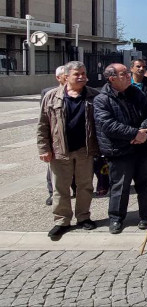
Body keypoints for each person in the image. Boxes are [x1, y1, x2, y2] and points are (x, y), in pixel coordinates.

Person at [37, 61, 100, 240]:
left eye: (83, 73)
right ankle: (62, 221)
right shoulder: (51, 96)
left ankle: (83, 217)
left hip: (85, 150)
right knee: (60, 187)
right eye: (77, 74)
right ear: (66, 77)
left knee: (85, 186)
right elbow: (43, 124)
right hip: (59, 150)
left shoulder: (94, 96)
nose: (81, 77)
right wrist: (44, 148)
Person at [94, 63, 147, 234]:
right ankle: (116, 218)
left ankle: (146, 215)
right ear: (112, 78)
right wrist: (134, 134)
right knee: (120, 186)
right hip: (119, 150)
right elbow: (108, 125)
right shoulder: (101, 99)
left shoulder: (137, 93)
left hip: (142, 148)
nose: (129, 75)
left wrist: (143, 132)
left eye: (127, 72)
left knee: (145, 184)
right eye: (124, 74)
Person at [42, 65, 67, 206]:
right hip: (56, 139)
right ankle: (52, 193)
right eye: (65, 74)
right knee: (53, 170)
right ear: (59, 77)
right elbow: (44, 119)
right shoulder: (48, 93)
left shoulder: (84, 93)